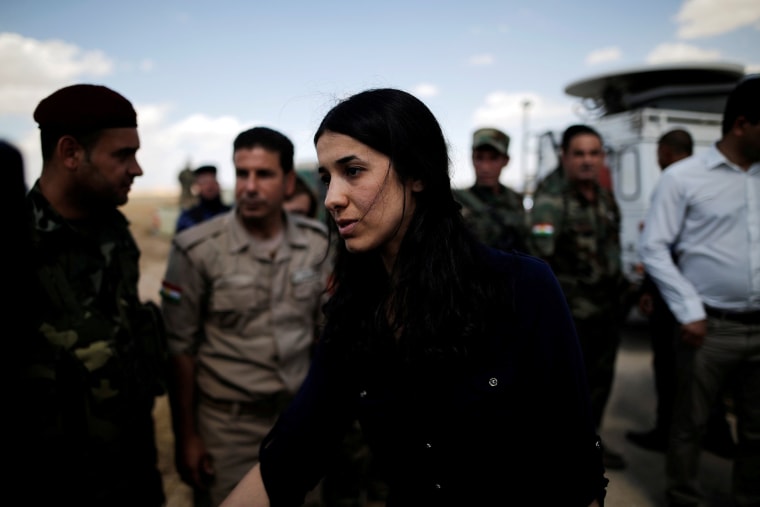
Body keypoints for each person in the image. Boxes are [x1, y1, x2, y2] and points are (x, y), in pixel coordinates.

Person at [221, 88, 608, 507]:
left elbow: (576, 466)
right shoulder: (355, 310)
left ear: (417, 173)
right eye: (326, 177)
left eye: (353, 170)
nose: (332, 198)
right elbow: (295, 450)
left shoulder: (522, 286)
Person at [160, 126, 332, 507]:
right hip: (228, 431)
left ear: (288, 182)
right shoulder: (197, 250)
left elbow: (323, 336)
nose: (249, 186)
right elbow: (180, 351)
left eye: (264, 174)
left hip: (297, 425)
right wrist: (187, 437)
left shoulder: (317, 245)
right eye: (242, 174)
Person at [17, 84, 167, 506]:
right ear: (70, 153)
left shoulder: (115, 234)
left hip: (131, 476)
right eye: (122, 155)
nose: (136, 169)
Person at [638, 75, 760, 507]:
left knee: (756, 427)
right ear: (742, 124)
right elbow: (652, 246)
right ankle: (684, 495)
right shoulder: (684, 178)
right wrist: (689, 309)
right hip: (709, 327)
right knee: (689, 420)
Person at [626, 129, 736, 458]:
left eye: (659, 151)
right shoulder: (710, 181)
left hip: (676, 298)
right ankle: (716, 436)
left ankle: (672, 433)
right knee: (706, 374)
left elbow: (663, 246)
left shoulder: (676, 181)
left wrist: (652, 288)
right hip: (701, 295)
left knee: (674, 369)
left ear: (667, 151)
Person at [528, 124, 631, 470]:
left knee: (599, 387)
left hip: (606, 312)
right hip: (573, 318)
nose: (588, 161)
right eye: (579, 154)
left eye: (594, 153)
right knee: (566, 394)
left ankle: (591, 447)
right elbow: (540, 265)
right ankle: (564, 462)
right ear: (565, 157)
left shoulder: (603, 196)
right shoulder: (550, 201)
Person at [453, 127, 528, 252]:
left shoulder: (516, 201)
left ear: (506, 161)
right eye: (480, 158)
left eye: (493, 158)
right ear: (472, 159)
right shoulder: (457, 201)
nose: (485, 167)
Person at [175, 164, 232, 233]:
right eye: (204, 182)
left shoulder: (231, 214)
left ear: (218, 184)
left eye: (212, 181)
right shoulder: (188, 218)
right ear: (197, 187)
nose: (209, 186)